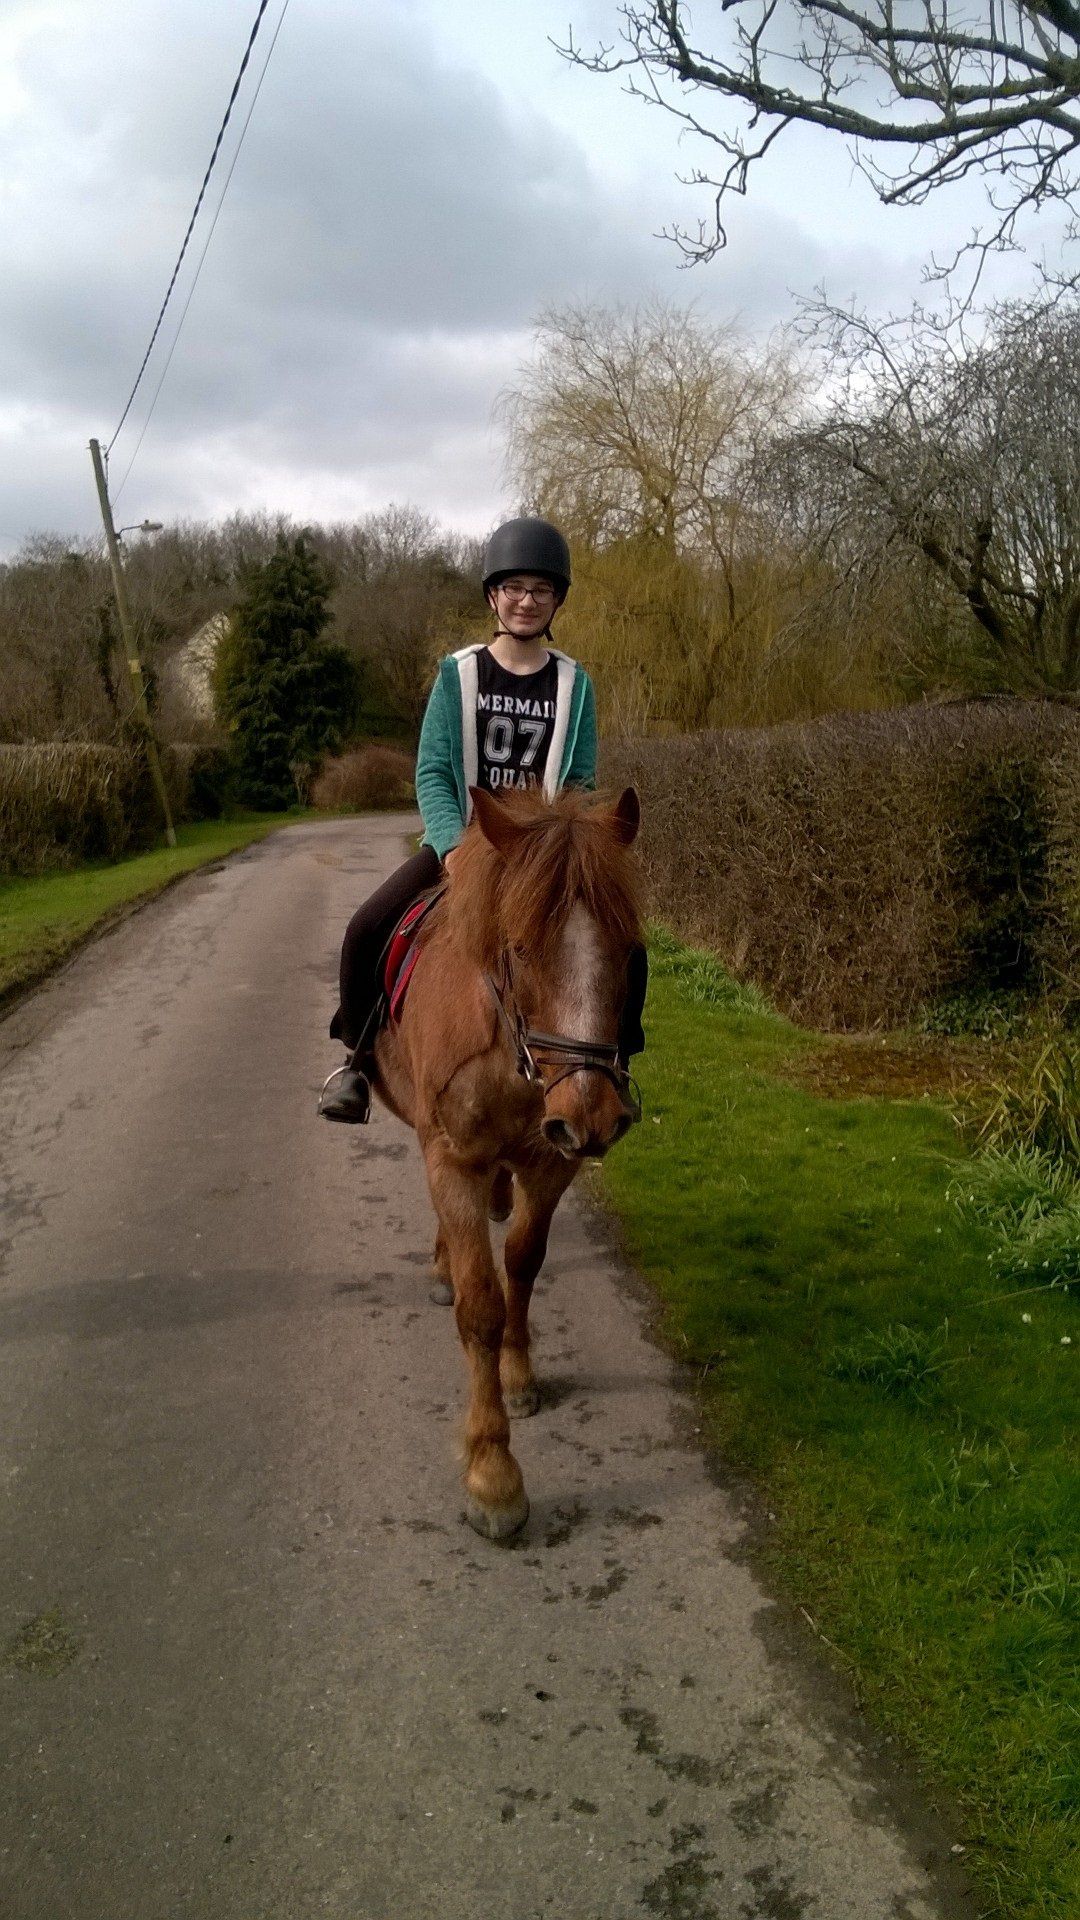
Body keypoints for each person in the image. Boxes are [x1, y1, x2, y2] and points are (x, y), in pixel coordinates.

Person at [319, 515, 646, 1123]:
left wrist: (565, 852)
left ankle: (614, 1064)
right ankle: (356, 1061)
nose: (527, 600)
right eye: (514, 587)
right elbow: (432, 773)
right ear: (493, 595)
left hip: (542, 862)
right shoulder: (459, 675)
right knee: (366, 928)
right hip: (465, 845)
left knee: (627, 949)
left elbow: (578, 781)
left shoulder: (576, 686)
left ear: (557, 601)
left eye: (541, 590)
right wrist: (452, 847)